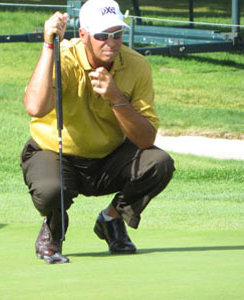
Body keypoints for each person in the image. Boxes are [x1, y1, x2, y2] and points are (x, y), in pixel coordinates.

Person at [21, 0, 175, 264]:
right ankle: (53, 230)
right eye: (102, 35)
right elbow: (35, 107)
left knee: (159, 163)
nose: (111, 42)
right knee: (50, 190)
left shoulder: (137, 66)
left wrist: (116, 97)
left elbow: (145, 139)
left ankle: (111, 220)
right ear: (83, 35)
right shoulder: (65, 57)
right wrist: (49, 45)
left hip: (107, 158)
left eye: (117, 34)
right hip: (55, 154)